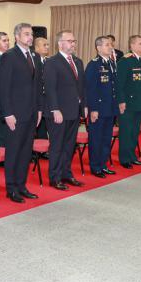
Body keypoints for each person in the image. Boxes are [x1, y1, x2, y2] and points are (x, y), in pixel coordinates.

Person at [0, 23, 42, 202]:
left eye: (31, 34)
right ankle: (11, 188)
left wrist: (39, 109)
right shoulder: (9, 56)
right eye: (26, 34)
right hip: (15, 114)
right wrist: (8, 113)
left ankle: (21, 185)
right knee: (14, 151)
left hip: (31, 113)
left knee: (25, 152)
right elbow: (3, 88)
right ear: (17, 37)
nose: (30, 37)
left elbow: (38, 86)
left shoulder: (35, 56)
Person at [43, 30, 87, 191]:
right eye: (69, 41)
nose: (73, 43)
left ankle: (66, 174)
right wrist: (55, 109)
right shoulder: (52, 62)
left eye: (74, 41)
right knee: (57, 146)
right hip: (58, 112)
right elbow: (50, 88)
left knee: (69, 145)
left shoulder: (78, 61)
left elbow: (81, 87)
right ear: (60, 43)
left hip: (74, 110)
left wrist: (85, 106)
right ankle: (54, 177)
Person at [85, 36, 118, 178]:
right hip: (98, 109)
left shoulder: (111, 63)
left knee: (106, 139)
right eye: (107, 45)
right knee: (96, 139)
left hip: (110, 108)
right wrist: (93, 109)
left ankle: (103, 164)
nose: (110, 47)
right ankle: (95, 167)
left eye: (111, 45)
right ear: (98, 48)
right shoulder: (93, 65)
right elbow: (90, 89)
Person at [116, 35, 141, 169]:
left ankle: (132, 157)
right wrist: (121, 101)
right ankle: (124, 159)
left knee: (134, 132)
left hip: (139, 103)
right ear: (132, 45)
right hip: (127, 104)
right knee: (126, 132)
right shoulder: (125, 61)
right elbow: (119, 84)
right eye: (140, 43)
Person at [33, 37, 50, 141]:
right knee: (36, 124)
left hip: (47, 98)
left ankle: (43, 149)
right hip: (36, 98)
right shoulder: (32, 61)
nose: (47, 47)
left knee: (44, 124)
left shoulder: (49, 61)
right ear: (36, 47)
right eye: (44, 45)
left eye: (48, 45)